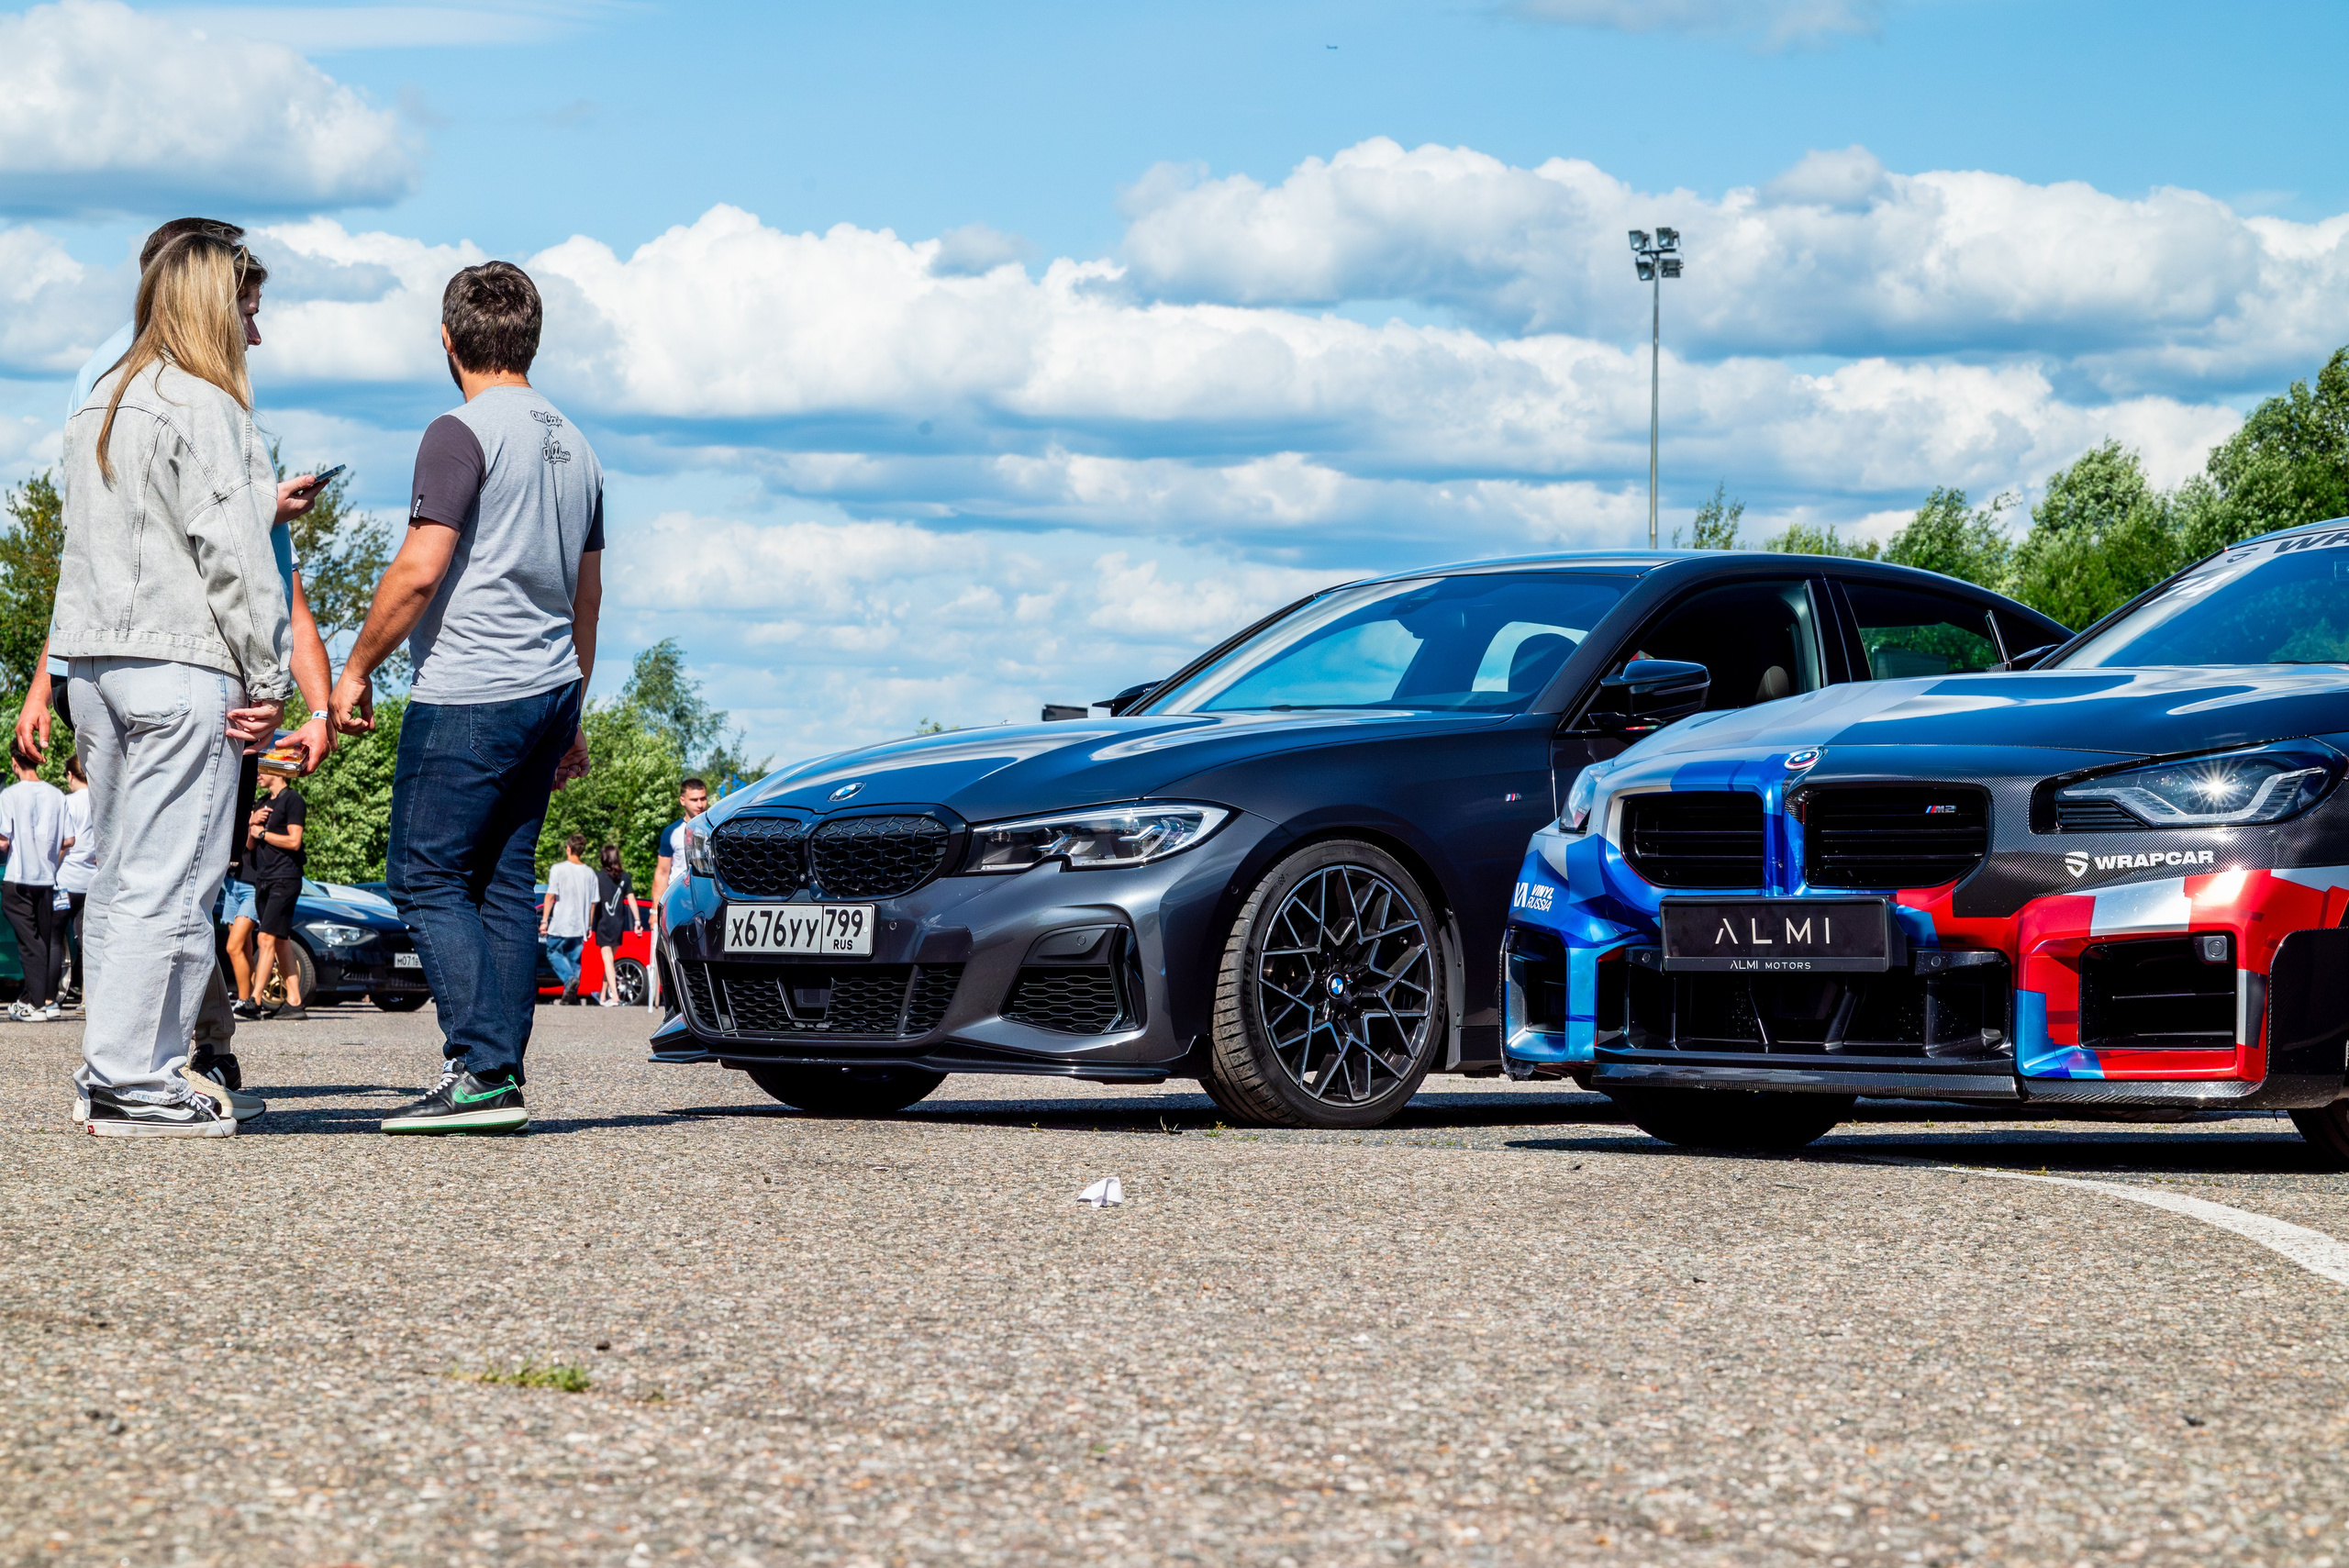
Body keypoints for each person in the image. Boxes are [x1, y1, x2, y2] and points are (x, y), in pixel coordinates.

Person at [330, 261, 603, 1136]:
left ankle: (481, 1068)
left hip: (472, 688)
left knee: (423, 873)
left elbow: (420, 567)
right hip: (550, 684)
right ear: (530, 339)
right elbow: (587, 594)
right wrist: (575, 706)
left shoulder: (459, 431)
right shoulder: (579, 445)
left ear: (448, 341)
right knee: (501, 884)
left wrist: (358, 665)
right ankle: (499, 1073)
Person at [58, 230, 295, 1137]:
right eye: (248, 308)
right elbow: (237, 556)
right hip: (183, 662)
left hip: (97, 664)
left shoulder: (101, 405)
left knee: (120, 876)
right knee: (177, 878)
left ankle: (109, 1068)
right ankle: (138, 1081)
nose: (254, 331)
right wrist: (267, 675)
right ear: (211, 305)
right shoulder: (209, 409)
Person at [0, 741, 70, 1021]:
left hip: (18, 876)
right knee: (41, 938)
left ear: (15, 763)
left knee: (30, 942)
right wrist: (53, 862)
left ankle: (37, 1005)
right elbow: (68, 840)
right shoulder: (57, 795)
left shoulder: (10, 795)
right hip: (46, 878)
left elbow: (3, 841)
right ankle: (32, 999)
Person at [246, 768, 308, 1020]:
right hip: (263, 878)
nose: (257, 775)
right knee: (280, 940)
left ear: (276, 771)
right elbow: (249, 844)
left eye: (261, 770)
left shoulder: (292, 799)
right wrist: (252, 823)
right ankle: (294, 1002)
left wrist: (263, 833)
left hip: (286, 877)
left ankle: (254, 1000)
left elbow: (294, 841)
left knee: (266, 938)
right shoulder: (261, 804)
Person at [648, 777, 708, 1008]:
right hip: (678, 903)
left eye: (703, 798)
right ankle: (674, 1006)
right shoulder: (672, 832)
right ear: (683, 800)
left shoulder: (712, 827)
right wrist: (655, 909)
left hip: (705, 902)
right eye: (694, 800)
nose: (700, 804)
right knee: (673, 954)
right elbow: (662, 872)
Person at [56, 752, 95, 1006]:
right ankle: (87, 999)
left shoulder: (65, 802)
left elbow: (60, 841)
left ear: (70, 775)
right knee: (88, 941)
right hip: (91, 880)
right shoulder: (101, 800)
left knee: (54, 939)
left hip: (64, 879)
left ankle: (53, 995)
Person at [541, 836, 597, 1006]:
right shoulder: (590, 873)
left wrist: (544, 920)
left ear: (568, 848)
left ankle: (569, 980)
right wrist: (589, 924)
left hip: (560, 923)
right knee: (574, 959)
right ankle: (570, 996)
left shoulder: (558, 869)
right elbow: (593, 903)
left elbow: (550, 896)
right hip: (579, 925)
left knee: (553, 952)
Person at [591, 842, 640, 1006]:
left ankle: (615, 997)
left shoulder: (597, 877)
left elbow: (593, 902)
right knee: (609, 960)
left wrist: (589, 923)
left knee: (608, 960)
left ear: (603, 859)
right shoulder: (625, 876)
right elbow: (631, 899)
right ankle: (603, 995)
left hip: (603, 923)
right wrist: (637, 921)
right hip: (618, 923)